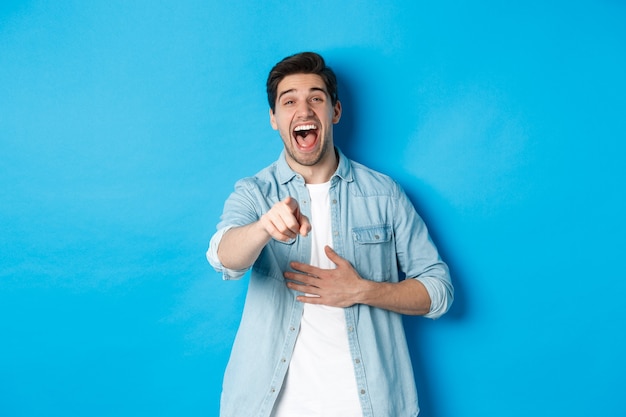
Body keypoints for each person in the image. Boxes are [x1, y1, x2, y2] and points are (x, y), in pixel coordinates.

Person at [207, 51, 453, 417]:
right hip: (269, 407)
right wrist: (263, 228)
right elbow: (222, 257)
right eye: (289, 101)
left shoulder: (384, 194)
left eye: (315, 99)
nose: (303, 110)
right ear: (274, 118)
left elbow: (439, 291)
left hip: (369, 406)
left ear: (334, 112)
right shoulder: (255, 193)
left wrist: (361, 290)